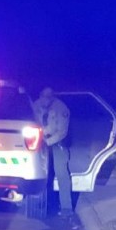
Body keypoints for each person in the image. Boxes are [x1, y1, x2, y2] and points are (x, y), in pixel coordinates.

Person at [33, 86, 73, 215]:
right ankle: (40, 205)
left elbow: (62, 131)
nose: (45, 100)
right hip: (40, 141)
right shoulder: (35, 105)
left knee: (61, 173)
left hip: (57, 142)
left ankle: (66, 207)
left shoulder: (61, 108)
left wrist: (47, 141)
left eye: (48, 97)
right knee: (40, 173)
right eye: (43, 96)